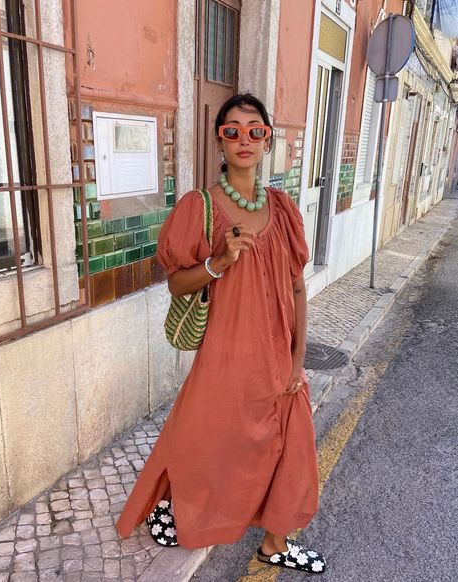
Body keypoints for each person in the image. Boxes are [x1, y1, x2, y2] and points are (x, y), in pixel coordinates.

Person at [116, 93, 326, 574]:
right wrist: (219, 261)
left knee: (291, 445)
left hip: (276, 359)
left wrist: (297, 359)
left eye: (256, 130)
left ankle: (275, 542)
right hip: (223, 357)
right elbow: (176, 282)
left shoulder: (284, 208)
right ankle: (172, 508)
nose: (245, 139)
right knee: (196, 438)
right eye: (233, 130)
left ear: (268, 138)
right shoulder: (200, 207)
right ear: (220, 140)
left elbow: (296, 288)